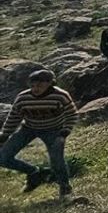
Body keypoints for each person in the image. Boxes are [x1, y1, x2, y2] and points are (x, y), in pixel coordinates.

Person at [0, 69, 77, 197]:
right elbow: (14, 117)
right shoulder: (23, 97)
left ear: (50, 84)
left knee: (57, 160)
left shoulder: (60, 95)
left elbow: (72, 114)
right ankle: (34, 172)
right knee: (3, 158)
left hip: (54, 130)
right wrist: (4, 135)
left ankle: (65, 187)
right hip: (28, 129)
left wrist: (63, 134)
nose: (36, 89)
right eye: (33, 85)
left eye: (40, 86)